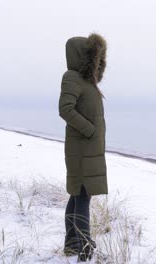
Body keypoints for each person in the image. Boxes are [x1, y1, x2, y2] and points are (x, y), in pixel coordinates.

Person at [58, 33, 108, 261]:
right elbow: (65, 109)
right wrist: (90, 131)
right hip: (81, 149)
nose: (93, 57)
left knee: (78, 195)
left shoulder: (87, 81)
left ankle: (71, 245)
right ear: (80, 54)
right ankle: (84, 246)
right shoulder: (71, 77)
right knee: (83, 196)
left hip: (88, 149)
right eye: (89, 53)